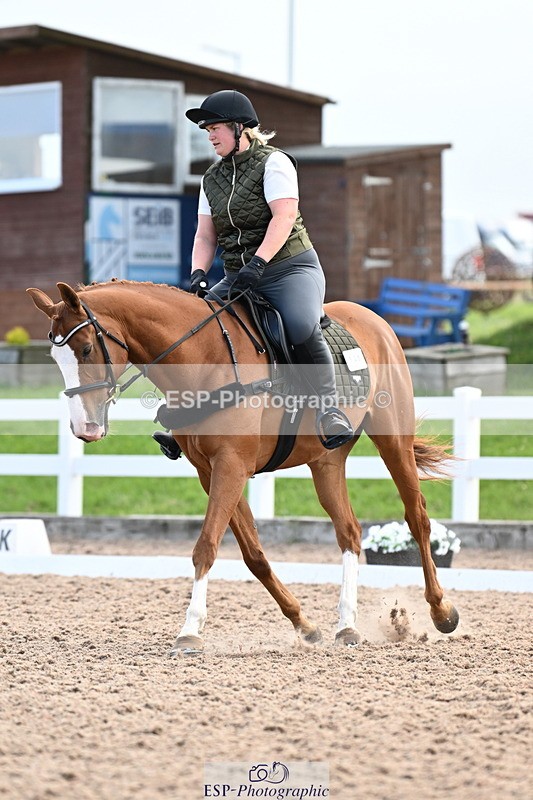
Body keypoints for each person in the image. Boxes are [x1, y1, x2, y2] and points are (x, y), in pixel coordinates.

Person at [155, 89, 354, 456]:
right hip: (239, 274)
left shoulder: (275, 163)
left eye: (214, 128)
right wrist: (198, 273)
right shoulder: (210, 179)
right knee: (196, 330)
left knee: (299, 324)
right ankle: (183, 421)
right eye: (207, 130)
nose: (210, 135)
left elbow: (284, 217)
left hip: (289, 268)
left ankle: (330, 410)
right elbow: (204, 234)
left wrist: (259, 263)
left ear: (240, 128)